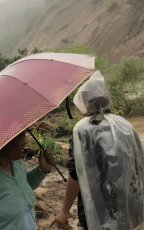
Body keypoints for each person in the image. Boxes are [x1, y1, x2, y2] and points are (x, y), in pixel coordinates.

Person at [51, 71, 144, 230]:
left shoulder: (83, 129)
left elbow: (76, 173)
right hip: (132, 205)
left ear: (88, 102)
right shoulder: (124, 124)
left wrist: (65, 210)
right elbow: (139, 163)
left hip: (101, 209)